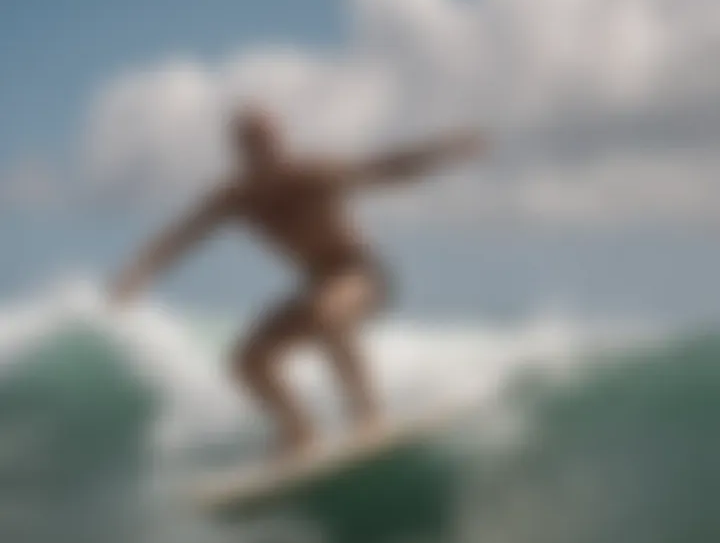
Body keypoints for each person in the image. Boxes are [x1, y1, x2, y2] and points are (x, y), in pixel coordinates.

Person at [111, 108, 485, 458]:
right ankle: (299, 432)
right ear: (240, 151)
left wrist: (445, 150)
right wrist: (139, 272)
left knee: (328, 313)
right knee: (247, 361)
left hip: (360, 274)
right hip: (315, 284)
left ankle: (369, 416)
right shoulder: (237, 197)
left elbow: (384, 168)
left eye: (268, 142)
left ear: (280, 141)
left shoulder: (310, 174)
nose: (263, 153)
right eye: (251, 145)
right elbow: (183, 235)